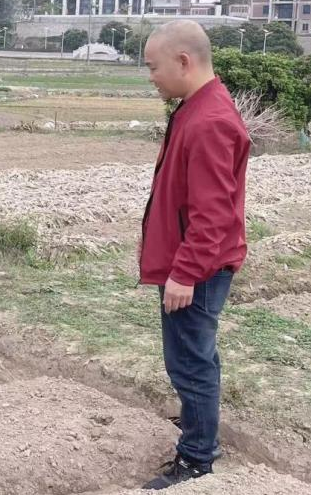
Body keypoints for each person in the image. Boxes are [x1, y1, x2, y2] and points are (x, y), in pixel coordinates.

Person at [138, 20, 250, 490]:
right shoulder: (194, 108)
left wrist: (184, 273)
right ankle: (197, 423)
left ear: (183, 61)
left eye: (153, 67)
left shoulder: (209, 122)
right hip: (190, 261)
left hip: (197, 269)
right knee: (194, 357)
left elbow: (212, 214)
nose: (151, 77)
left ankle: (197, 458)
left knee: (190, 362)